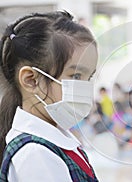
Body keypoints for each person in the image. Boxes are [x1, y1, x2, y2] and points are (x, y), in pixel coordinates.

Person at [0, 11, 98, 181]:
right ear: (31, 80)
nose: (85, 87)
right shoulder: (36, 155)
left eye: (88, 77)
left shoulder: (58, 137)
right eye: (76, 76)